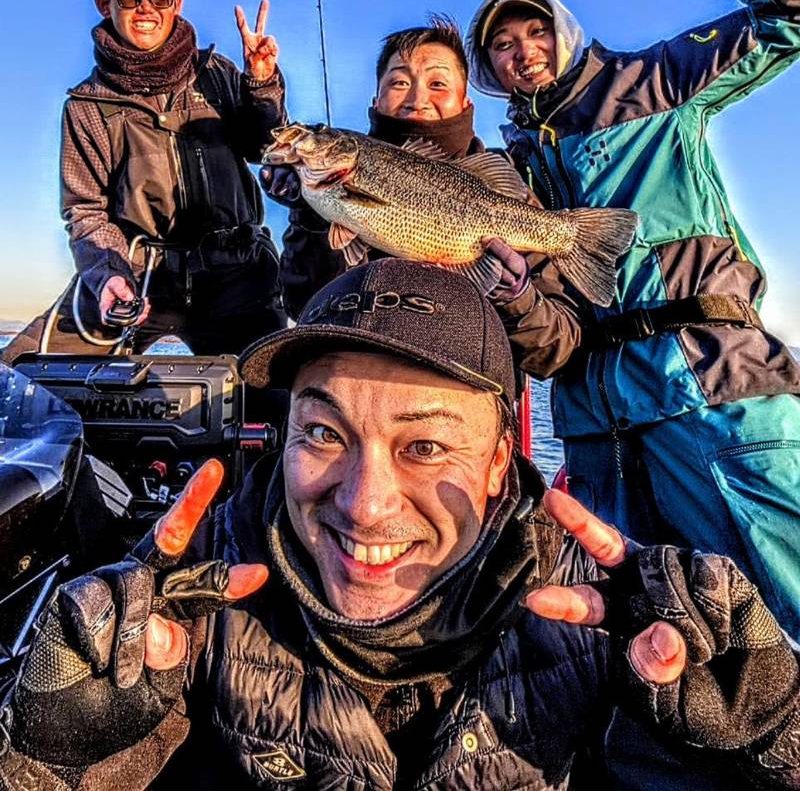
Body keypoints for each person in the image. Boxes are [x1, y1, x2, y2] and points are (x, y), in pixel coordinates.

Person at [3, 259, 800, 791]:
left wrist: (761, 730)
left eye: (423, 446)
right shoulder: (191, 611)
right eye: (322, 433)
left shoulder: (607, 623)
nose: (363, 502)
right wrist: (58, 756)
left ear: (499, 466)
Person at [465, 0, 800, 640]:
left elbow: (790, 14)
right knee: (656, 641)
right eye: (503, 47)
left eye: (533, 32)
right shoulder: (507, 167)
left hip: (714, 390)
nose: (522, 53)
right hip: (596, 430)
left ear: (564, 29)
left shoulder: (652, 80)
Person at [2, 0, 287, 362]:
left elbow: (265, 147)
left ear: (177, 2)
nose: (146, 6)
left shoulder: (218, 73)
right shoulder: (86, 105)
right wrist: (108, 276)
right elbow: (86, 212)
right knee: (19, 374)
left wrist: (262, 85)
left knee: (280, 396)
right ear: (105, 4)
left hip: (237, 272)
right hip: (138, 274)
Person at [265, 15, 581, 381]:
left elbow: (558, 350)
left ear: (464, 101)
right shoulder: (330, 191)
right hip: (358, 388)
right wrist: (309, 217)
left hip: (463, 402)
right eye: (400, 81)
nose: (417, 98)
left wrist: (517, 298)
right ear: (376, 98)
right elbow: (304, 306)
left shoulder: (501, 187)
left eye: (437, 83)